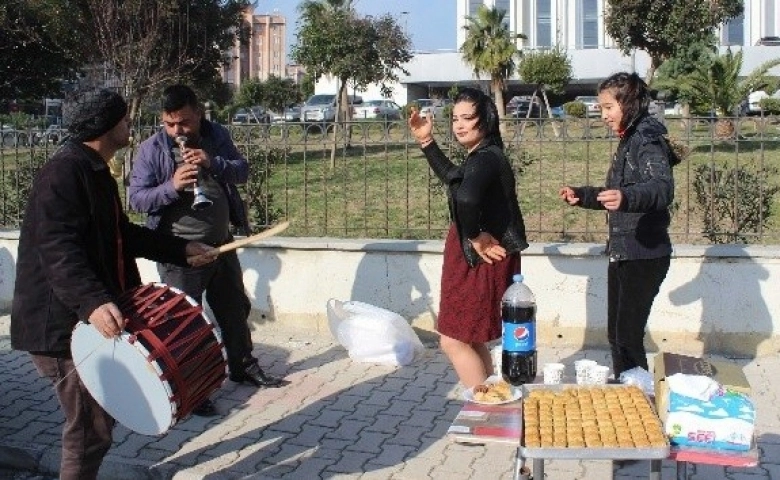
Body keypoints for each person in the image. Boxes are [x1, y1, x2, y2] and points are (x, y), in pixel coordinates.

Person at [10, 89, 217, 480]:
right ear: (106, 126)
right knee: (90, 429)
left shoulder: (94, 169)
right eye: (124, 120)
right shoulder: (64, 173)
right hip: (58, 325)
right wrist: (92, 303)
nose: (129, 126)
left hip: (81, 318)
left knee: (95, 426)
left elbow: (123, 234)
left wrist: (183, 249)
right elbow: (57, 247)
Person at [129, 85, 285, 417]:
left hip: (221, 244)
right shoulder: (151, 150)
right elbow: (137, 199)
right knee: (186, 324)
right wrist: (172, 187)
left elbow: (241, 171)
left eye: (184, 123)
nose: (177, 132)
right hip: (180, 254)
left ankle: (242, 366)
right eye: (170, 125)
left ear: (199, 113)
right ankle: (195, 387)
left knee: (234, 309)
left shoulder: (217, 135)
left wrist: (212, 162)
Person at [408, 88, 528, 388]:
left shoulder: (486, 158)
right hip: (477, 255)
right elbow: (456, 181)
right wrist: (426, 141)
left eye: (467, 118)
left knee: (453, 341)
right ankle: (495, 399)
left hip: (481, 257)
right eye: (454, 118)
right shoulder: (484, 156)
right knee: (471, 339)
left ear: (485, 120)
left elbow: (466, 200)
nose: (459, 125)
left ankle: (486, 404)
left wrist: (475, 237)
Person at [559, 72, 676, 378]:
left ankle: (638, 397)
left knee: (627, 337)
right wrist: (582, 195)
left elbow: (662, 188)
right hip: (624, 252)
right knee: (617, 336)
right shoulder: (629, 140)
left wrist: (626, 197)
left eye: (608, 107)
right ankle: (628, 388)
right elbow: (616, 194)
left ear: (629, 103)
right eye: (601, 108)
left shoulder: (646, 139)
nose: (604, 115)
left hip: (644, 254)